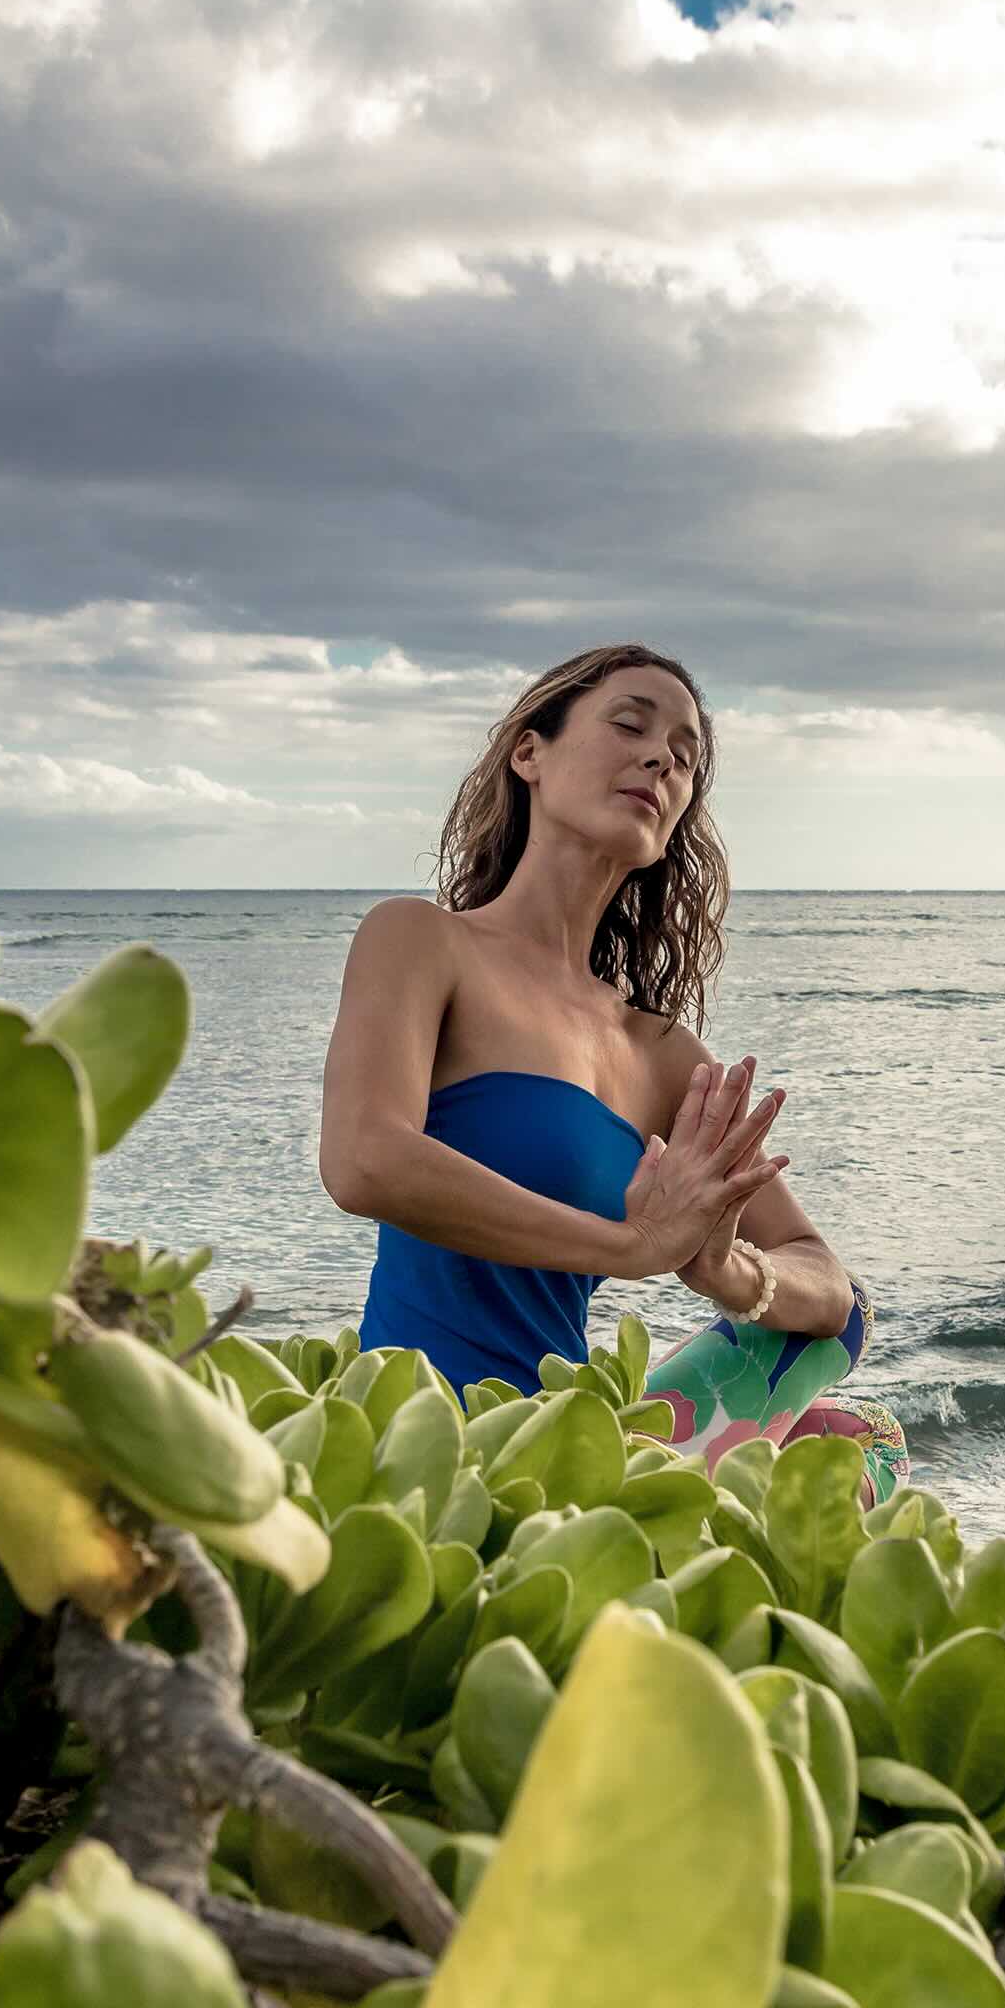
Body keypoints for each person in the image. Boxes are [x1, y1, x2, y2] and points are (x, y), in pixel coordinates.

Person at [318, 642, 910, 1501]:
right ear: (531, 753)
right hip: (419, 1454)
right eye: (630, 725)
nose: (661, 757)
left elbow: (839, 1303)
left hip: (568, 1457)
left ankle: (662, 1476)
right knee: (838, 1447)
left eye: (686, 758)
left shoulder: (659, 1052)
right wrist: (633, 1247)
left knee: (861, 1432)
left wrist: (727, 1273)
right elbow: (364, 1161)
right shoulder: (420, 941)